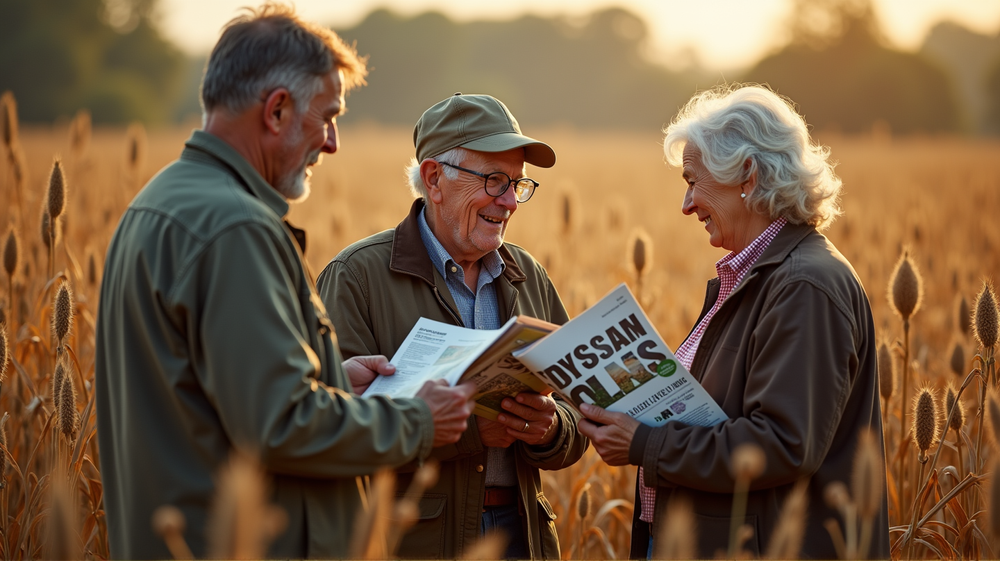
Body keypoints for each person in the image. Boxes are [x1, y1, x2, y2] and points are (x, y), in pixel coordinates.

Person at [94, 5, 477, 559]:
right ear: (276, 111)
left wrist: (332, 380)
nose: (332, 143)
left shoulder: (158, 203)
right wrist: (418, 420)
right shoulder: (236, 228)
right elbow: (279, 425)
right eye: (328, 116)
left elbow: (214, 397)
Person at [576, 85, 890, 559]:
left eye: (692, 181)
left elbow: (782, 443)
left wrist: (645, 442)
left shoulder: (805, 286)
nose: (685, 205)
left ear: (747, 174)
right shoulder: (758, 277)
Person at [316, 93, 588, 559]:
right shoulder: (356, 276)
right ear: (434, 178)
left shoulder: (529, 274)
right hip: (413, 542)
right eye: (495, 180)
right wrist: (472, 435)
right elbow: (330, 433)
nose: (509, 202)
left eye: (518, 185)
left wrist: (549, 430)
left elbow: (581, 410)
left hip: (523, 537)